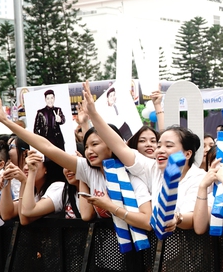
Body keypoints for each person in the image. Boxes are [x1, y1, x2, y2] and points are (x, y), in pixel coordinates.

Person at [0, 92, 153, 229]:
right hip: (106, 256)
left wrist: (111, 207)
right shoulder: (89, 171)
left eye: (95, 144)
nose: (89, 151)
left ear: (112, 146)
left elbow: (147, 222)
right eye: (87, 146)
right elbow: (48, 147)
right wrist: (6, 122)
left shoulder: (132, 173)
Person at [81, 81, 203, 230]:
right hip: (157, 250)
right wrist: (93, 115)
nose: (160, 150)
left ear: (187, 153)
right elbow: (119, 146)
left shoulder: (198, 178)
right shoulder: (153, 169)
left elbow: (193, 220)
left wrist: (177, 218)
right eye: (159, 145)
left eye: (168, 146)